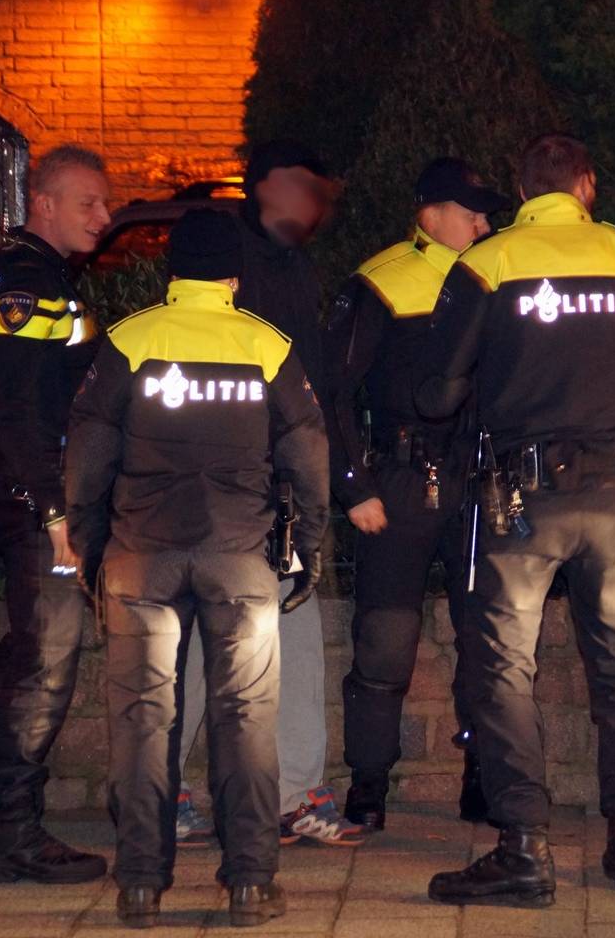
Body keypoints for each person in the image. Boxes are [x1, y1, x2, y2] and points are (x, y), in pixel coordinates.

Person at [420, 134, 615, 906]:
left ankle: (524, 849)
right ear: (586, 186)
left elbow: (436, 394)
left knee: (503, 670)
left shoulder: (487, 264)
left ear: (524, 192)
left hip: (522, 507)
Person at [66, 208, 329, 927]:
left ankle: (141, 886)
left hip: (140, 559)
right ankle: (250, 884)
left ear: (173, 270)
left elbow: (87, 454)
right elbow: (307, 452)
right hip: (239, 560)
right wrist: (309, 545)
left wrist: (91, 546)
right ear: (234, 274)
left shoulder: (130, 339)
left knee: (143, 720)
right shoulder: (265, 345)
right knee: (246, 718)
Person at [173, 140, 367, 848]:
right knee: (195, 642)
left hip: (280, 488)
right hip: (219, 492)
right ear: (263, 187)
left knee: (298, 637)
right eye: (301, 188)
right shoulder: (222, 257)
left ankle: (294, 796)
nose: (312, 205)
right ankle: (161, 789)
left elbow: (310, 384)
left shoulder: (293, 265)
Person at [322, 157, 510, 830]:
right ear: (430, 213)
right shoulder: (381, 281)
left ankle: (483, 778)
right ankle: (368, 787)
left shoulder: (493, 275)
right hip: (400, 484)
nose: (485, 223)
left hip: (476, 478)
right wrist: (355, 488)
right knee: (384, 642)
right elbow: (332, 392)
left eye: (487, 214)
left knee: (487, 641)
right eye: (472, 212)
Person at [0, 144, 109, 884]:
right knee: (46, 665)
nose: (105, 215)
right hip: (33, 502)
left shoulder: (35, 274)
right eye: (88, 202)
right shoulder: (28, 282)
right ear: (44, 203)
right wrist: (54, 506)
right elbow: (11, 408)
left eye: (106, 202)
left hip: (24, 495)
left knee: (23, 652)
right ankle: (15, 835)